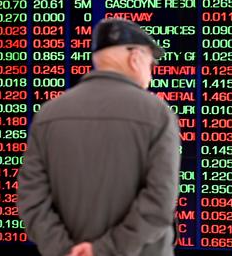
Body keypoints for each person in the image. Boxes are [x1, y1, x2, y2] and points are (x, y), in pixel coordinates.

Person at [17, 17, 182, 256]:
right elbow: (159, 203)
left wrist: (63, 249)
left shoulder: (48, 113)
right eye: (151, 63)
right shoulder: (157, 113)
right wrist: (104, 250)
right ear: (134, 58)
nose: (151, 73)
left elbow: (31, 198)